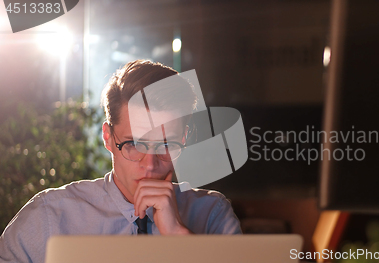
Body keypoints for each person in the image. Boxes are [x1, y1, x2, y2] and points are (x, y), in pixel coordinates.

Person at [0, 60, 242, 263]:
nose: (150, 165)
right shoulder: (50, 216)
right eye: (135, 144)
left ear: (184, 139)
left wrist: (179, 236)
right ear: (108, 137)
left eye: (166, 145)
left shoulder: (213, 216)